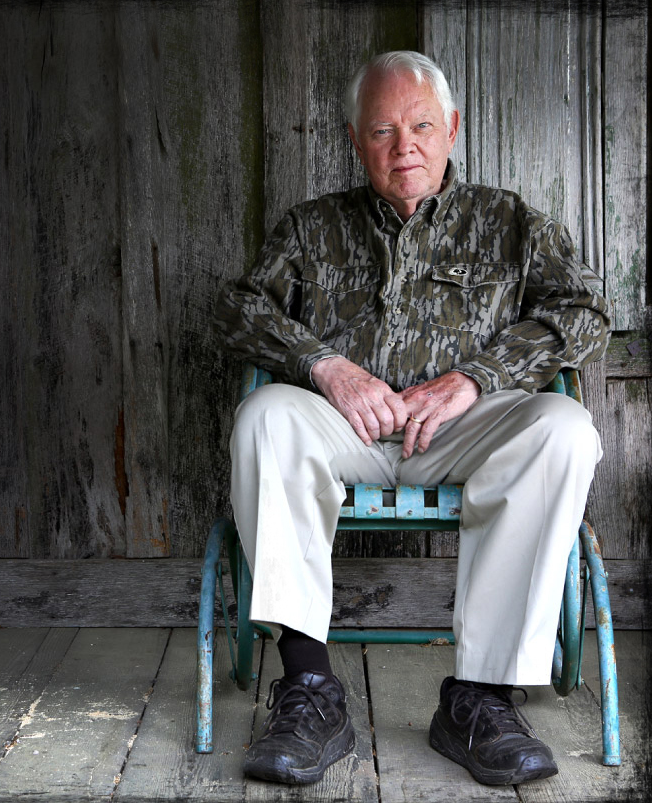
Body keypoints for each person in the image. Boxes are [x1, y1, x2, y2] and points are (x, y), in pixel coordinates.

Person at [214, 51, 609, 787]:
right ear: (355, 139)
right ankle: (308, 690)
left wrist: (476, 378)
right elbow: (238, 309)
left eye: (421, 126)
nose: (404, 148)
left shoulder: (511, 222)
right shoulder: (310, 228)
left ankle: (479, 698)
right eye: (382, 131)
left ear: (452, 128)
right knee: (265, 415)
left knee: (563, 428)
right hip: (347, 434)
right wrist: (324, 366)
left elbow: (584, 313)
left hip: (466, 433)